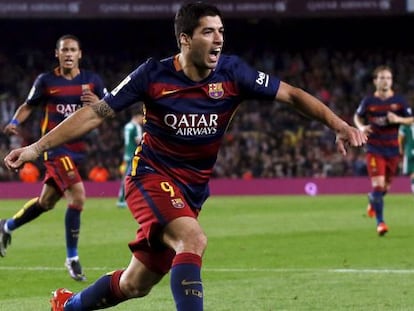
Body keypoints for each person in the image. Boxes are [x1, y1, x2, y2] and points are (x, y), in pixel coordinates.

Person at [4, 3, 366, 310]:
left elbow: (293, 95)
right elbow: (96, 113)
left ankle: (67, 305)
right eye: (208, 32)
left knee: (135, 284)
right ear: (185, 39)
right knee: (192, 240)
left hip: (192, 191)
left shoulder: (234, 72)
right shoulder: (152, 74)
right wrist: (37, 148)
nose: (219, 38)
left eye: (221, 30)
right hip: (149, 177)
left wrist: (337, 124)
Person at [0, 34, 107, 281]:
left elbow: (111, 106)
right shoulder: (46, 81)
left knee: (46, 202)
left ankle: (6, 226)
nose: (68, 54)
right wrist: (16, 121)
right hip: (55, 149)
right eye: (64, 50)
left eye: (73, 50)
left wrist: (98, 102)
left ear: (80, 54)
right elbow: (29, 105)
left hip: (78, 150)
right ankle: (72, 258)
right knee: (78, 196)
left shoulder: (92, 81)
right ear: (56, 54)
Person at [353, 65, 413, 236]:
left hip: (393, 150)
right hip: (374, 149)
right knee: (378, 185)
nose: (385, 81)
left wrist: (398, 118)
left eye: (388, 78)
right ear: (375, 81)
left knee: (384, 188)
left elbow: (411, 119)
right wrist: (361, 127)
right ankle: (381, 223)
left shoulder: (399, 101)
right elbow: (357, 115)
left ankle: (373, 200)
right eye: (382, 78)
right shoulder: (369, 101)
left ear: (391, 81)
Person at [116, 108, 144, 208]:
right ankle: (123, 200)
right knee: (131, 178)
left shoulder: (127, 126)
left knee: (127, 177)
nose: (143, 119)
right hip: (134, 155)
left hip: (127, 154)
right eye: (142, 117)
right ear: (137, 116)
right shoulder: (136, 127)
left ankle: (123, 199)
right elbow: (138, 141)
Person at [398, 122, 414, 193]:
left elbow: (401, 138)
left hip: (409, 151)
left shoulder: (404, 125)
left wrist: (401, 148)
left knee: (412, 174)